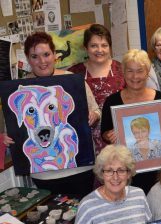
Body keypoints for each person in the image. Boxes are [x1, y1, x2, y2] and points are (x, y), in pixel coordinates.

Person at [3, 31, 101, 197]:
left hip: (78, 166)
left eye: (46, 54)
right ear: (28, 59)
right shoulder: (20, 89)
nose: (42, 61)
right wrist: (6, 137)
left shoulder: (72, 81)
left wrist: (94, 115)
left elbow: (96, 109)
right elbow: (13, 126)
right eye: (35, 56)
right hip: (43, 172)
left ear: (55, 55)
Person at [101, 49, 161, 194]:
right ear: (123, 72)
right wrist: (109, 135)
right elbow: (104, 133)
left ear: (147, 72)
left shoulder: (160, 99)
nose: (135, 76)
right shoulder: (112, 101)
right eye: (130, 71)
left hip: (157, 172)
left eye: (140, 71)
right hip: (126, 174)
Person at [69, 24, 125, 156]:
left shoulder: (122, 70)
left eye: (104, 45)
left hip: (117, 138)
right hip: (86, 141)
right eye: (94, 46)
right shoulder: (74, 74)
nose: (99, 50)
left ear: (110, 47)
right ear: (86, 48)